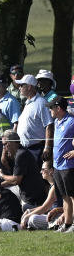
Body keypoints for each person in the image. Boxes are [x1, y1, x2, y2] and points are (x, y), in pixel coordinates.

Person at [0, 129, 48, 209]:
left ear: (11, 142)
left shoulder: (21, 154)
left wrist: (1, 175)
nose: (4, 148)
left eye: (5, 144)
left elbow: (16, 180)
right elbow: (14, 178)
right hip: (28, 195)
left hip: (33, 200)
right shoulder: (17, 153)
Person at [48, 96, 74, 232]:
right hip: (58, 166)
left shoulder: (71, 121)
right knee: (64, 196)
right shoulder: (57, 122)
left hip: (68, 166)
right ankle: (68, 224)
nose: (50, 110)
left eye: (51, 107)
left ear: (58, 108)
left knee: (72, 196)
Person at [16, 73, 52, 162]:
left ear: (29, 87)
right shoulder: (28, 102)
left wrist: (47, 147)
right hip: (24, 149)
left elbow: (49, 125)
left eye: (21, 85)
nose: (19, 88)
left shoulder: (41, 103)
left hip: (36, 149)